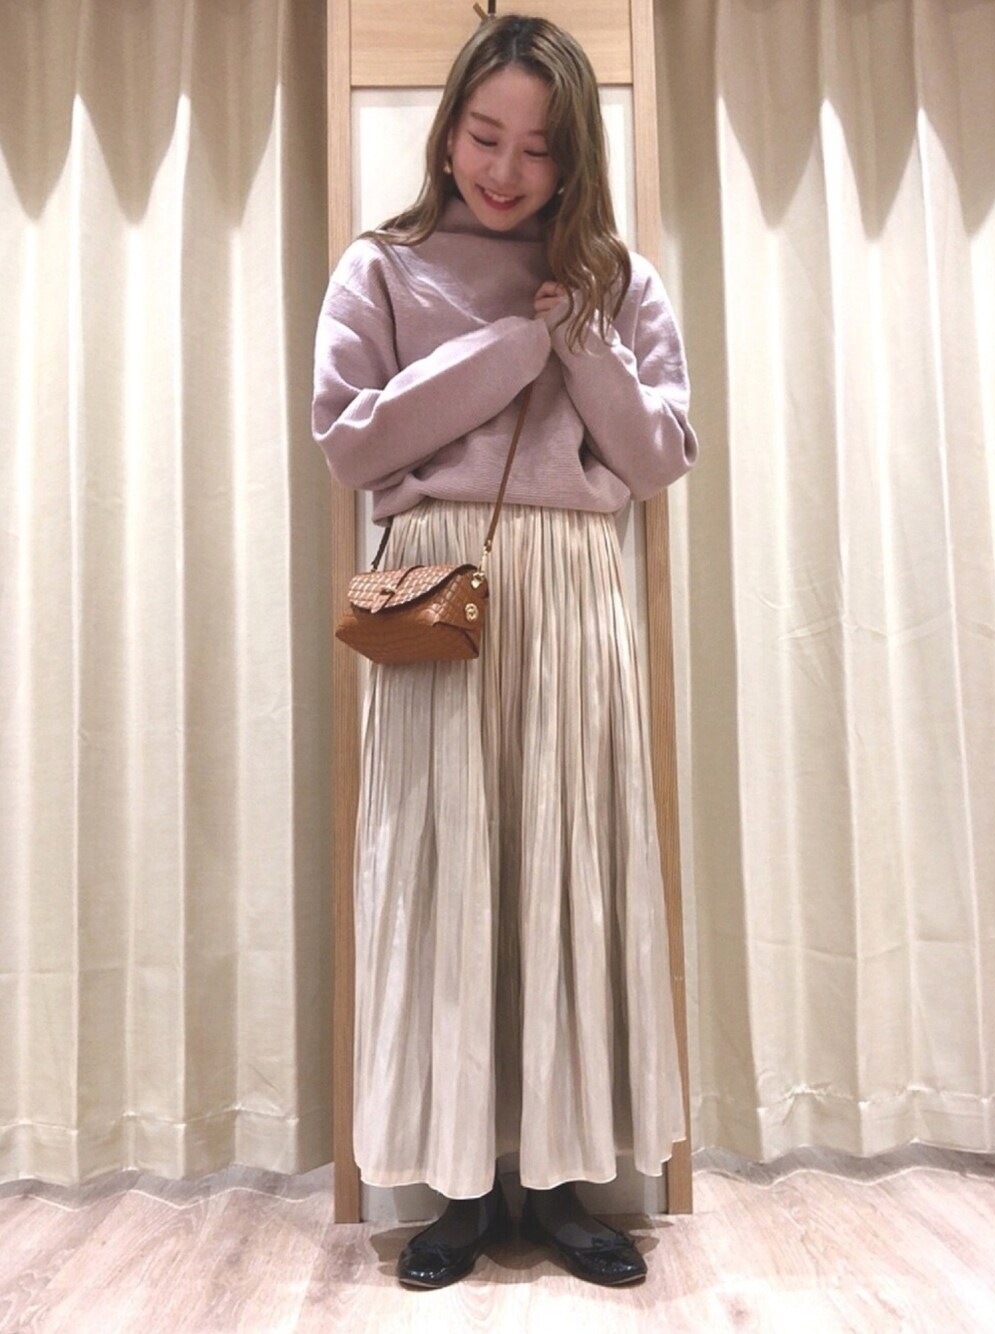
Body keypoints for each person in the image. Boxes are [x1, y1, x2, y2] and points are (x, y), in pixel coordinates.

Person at [312, 13, 697, 1290]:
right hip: (440, 592)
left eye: (537, 148)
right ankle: (461, 1185)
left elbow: (654, 457)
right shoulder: (383, 267)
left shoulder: (617, 281)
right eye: (484, 135)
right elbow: (351, 442)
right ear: (448, 133)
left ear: (573, 157)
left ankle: (566, 1173)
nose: (504, 169)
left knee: (564, 865)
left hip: (574, 593)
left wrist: (579, 333)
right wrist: (515, 344)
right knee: (446, 869)